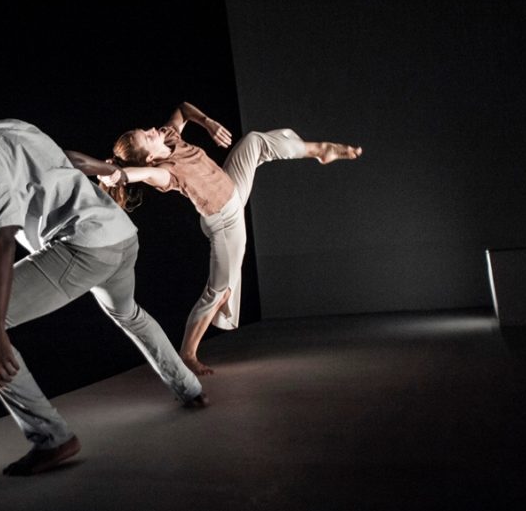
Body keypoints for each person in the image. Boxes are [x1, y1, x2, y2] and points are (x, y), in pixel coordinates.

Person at [0, 90, 207, 477]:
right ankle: (189, 389)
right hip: (121, 235)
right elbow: (68, 158)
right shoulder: (12, 126)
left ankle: (51, 438)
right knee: (127, 312)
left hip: (86, 247)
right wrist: (110, 172)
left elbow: (2, 238)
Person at [65, 102, 362, 376]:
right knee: (219, 291)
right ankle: (188, 354)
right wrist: (114, 174)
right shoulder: (164, 174)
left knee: (254, 142)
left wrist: (207, 123)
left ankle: (322, 150)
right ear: (151, 157)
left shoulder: (169, 137)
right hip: (224, 221)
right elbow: (136, 175)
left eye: (147, 130)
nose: (153, 130)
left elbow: (182, 109)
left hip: (232, 187)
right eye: (148, 137)